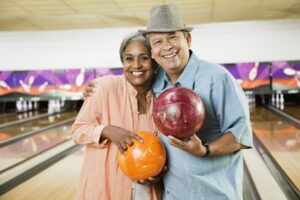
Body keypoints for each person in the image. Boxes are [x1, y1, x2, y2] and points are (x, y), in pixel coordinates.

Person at [84, 4, 253, 200]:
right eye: (158, 41)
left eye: (173, 37)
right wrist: (93, 88)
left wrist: (205, 150)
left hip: (215, 194)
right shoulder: (154, 83)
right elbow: (129, 78)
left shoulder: (217, 78)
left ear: (187, 39)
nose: (167, 47)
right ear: (153, 51)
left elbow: (241, 135)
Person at [71, 32, 162, 200]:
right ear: (122, 62)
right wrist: (106, 130)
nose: (136, 65)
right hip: (103, 188)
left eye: (144, 58)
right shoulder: (104, 88)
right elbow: (77, 130)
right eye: (129, 58)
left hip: (145, 191)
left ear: (154, 62)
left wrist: (158, 171)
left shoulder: (162, 100)